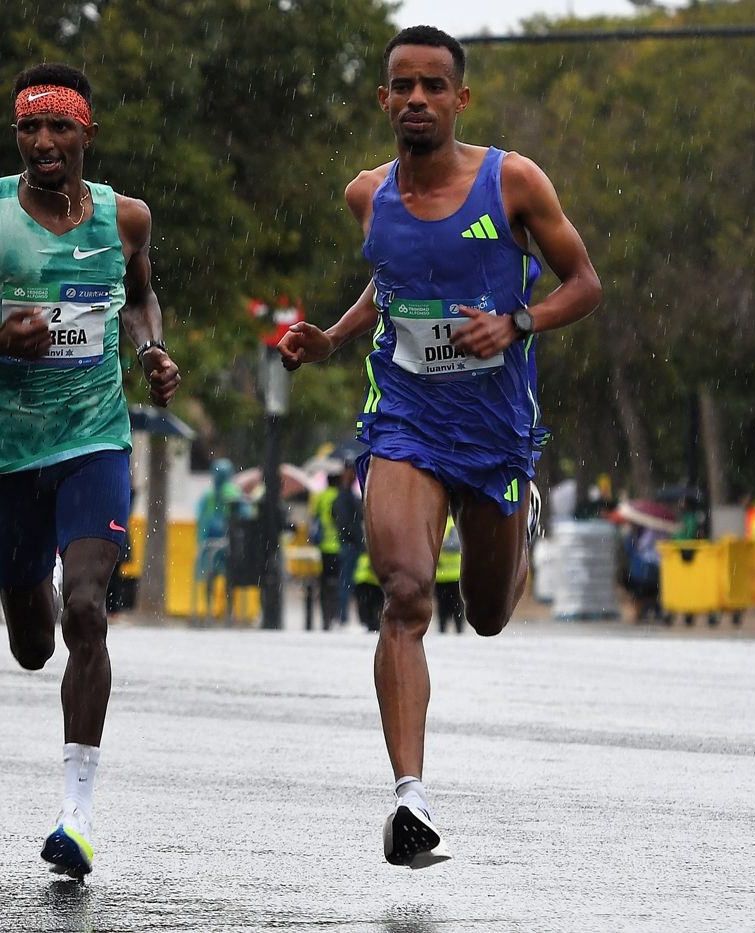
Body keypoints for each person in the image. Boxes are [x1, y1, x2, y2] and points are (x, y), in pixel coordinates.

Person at [277, 25, 601, 869]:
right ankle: (410, 800)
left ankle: (514, 516)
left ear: (460, 100)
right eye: (402, 87)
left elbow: (585, 282)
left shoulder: (513, 181)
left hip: (495, 432)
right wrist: (335, 338)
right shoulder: (366, 195)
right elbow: (389, 280)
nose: (416, 99)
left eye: (433, 86)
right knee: (407, 596)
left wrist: (517, 321)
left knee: (486, 615)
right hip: (406, 419)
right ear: (383, 100)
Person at [0, 63, 180, 878]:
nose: (44, 143)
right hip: (9, 451)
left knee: (87, 609)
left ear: (88, 133)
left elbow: (140, 298)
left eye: (60, 128)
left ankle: (76, 813)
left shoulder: (127, 218)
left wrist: (152, 350)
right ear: (17, 135)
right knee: (31, 642)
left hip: (95, 438)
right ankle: (35, 597)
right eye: (29, 129)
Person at [194, 458, 249, 620]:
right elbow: (245, 514)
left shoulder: (211, 494)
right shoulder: (232, 492)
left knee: (213, 576)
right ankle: (228, 612)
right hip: (227, 541)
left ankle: (211, 610)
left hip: (213, 541)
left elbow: (200, 515)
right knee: (227, 577)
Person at [308, 462, 345, 630]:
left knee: (324, 582)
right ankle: (336, 614)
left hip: (323, 545)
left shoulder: (321, 496)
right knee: (338, 582)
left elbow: (314, 516)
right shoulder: (339, 496)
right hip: (338, 545)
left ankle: (326, 617)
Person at [332, 468, 366, 625]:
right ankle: (343, 617)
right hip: (349, 544)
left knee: (347, 581)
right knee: (347, 581)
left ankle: (343, 616)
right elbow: (345, 521)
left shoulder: (344, 496)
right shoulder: (345, 496)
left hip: (347, 543)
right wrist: (358, 539)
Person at [434, 517, 463, 633]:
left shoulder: (453, 523)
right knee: (442, 609)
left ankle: (459, 633)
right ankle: (442, 632)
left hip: (454, 576)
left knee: (457, 608)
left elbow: (456, 545)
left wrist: (439, 545)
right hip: (440, 577)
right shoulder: (438, 523)